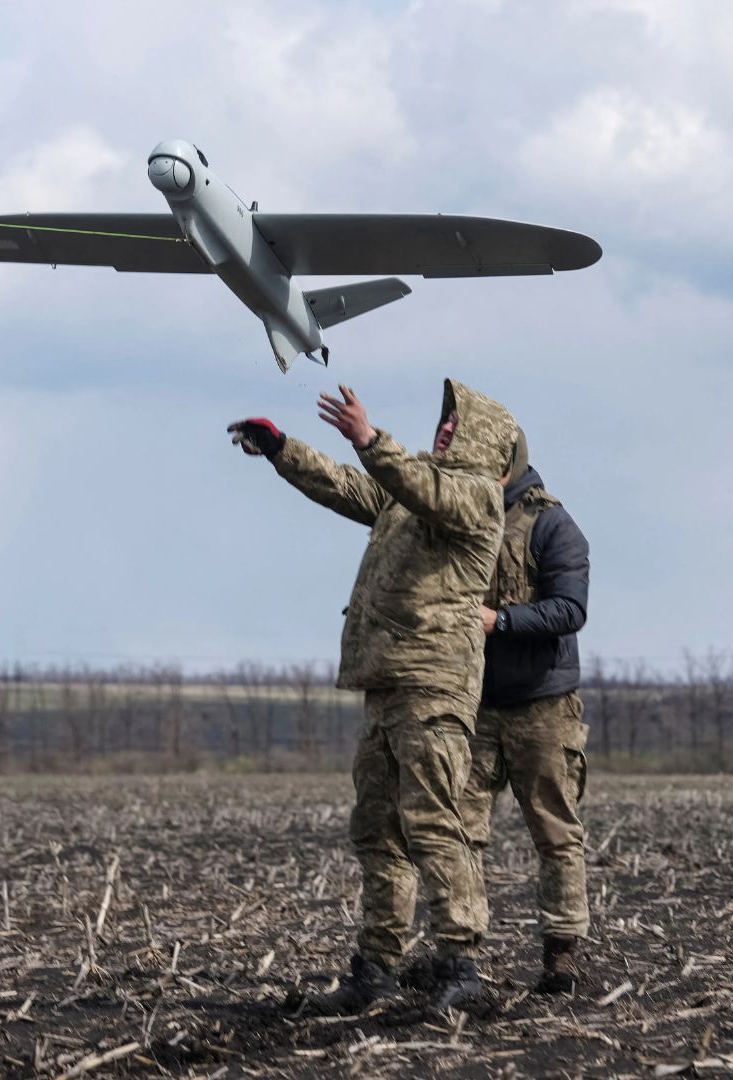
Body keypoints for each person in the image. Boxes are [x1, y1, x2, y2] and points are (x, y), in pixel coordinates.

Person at [228, 380, 517, 1014]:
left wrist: (370, 438)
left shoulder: (474, 498)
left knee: (434, 825)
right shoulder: (408, 497)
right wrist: (282, 449)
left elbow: (423, 486)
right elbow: (347, 486)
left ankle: (460, 966)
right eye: (443, 420)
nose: (444, 428)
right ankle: (376, 968)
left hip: (433, 685)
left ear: (486, 440)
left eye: (457, 423)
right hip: (385, 682)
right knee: (377, 832)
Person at [458, 429, 592, 993]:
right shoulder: (462, 516)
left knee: (555, 832)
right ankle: (458, 956)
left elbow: (570, 609)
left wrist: (501, 621)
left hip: (544, 707)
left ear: (508, 460)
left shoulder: (553, 524)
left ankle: (561, 956)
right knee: (458, 832)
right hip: (474, 706)